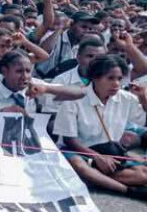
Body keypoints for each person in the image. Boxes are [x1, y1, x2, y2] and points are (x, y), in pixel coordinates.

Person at [54, 54, 147, 199]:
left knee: (142, 175)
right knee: (78, 165)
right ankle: (129, 191)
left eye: (119, 79)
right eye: (110, 78)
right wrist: (97, 157)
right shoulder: (74, 98)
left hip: (110, 151)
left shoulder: (126, 98)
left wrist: (143, 97)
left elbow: (143, 121)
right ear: (95, 78)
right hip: (79, 151)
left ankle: (96, 179)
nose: (116, 84)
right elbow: (69, 140)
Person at [0, 52, 85, 114]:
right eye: (19, 71)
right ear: (4, 71)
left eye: (28, 71)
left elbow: (80, 93)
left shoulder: (36, 88)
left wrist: (47, 89)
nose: (25, 77)